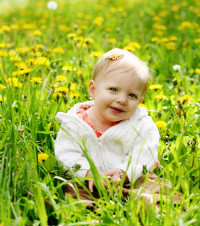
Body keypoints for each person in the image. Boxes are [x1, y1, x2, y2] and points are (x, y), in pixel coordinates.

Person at [54, 48, 163, 199]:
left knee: (154, 189)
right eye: (114, 89)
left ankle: (152, 211)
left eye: (132, 95)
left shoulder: (141, 124)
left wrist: (124, 172)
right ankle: (89, 219)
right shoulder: (74, 122)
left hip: (133, 179)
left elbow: (145, 153)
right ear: (93, 89)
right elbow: (65, 153)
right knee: (77, 194)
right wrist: (88, 172)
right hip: (88, 181)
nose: (122, 100)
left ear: (140, 101)